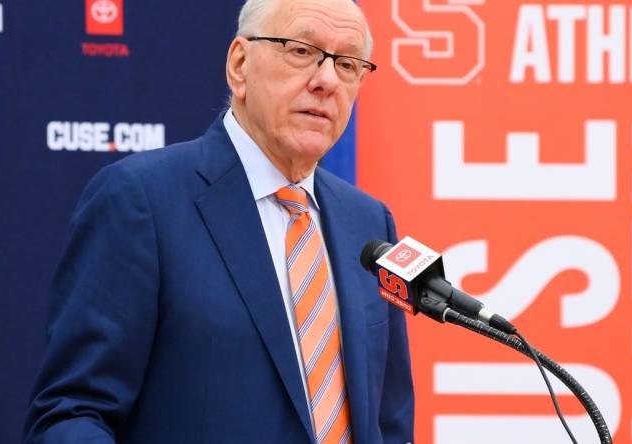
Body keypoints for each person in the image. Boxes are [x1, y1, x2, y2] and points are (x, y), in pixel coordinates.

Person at [23, 0, 414, 442]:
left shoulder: (370, 223)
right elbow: (72, 414)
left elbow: (390, 423)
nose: (326, 81)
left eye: (347, 64)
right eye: (302, 50)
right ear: (240, 64)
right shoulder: (141, 201)